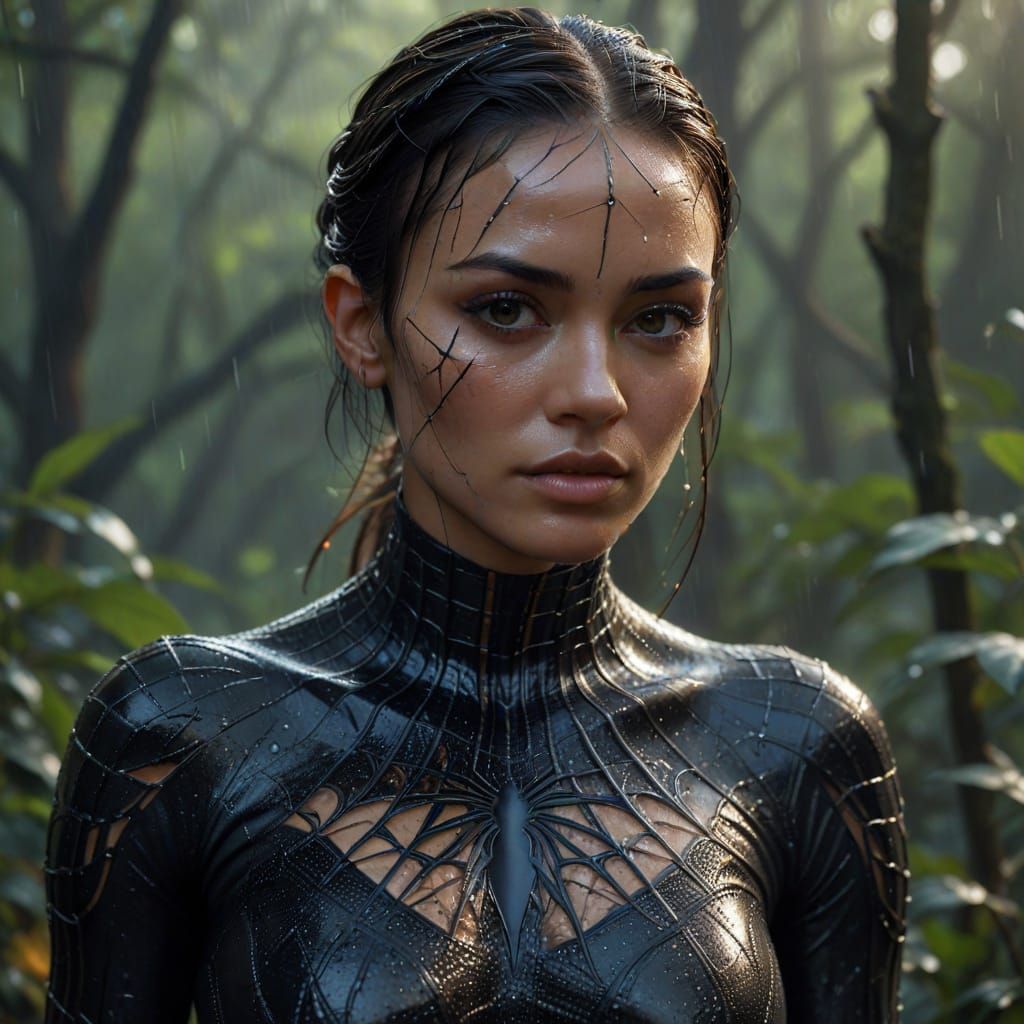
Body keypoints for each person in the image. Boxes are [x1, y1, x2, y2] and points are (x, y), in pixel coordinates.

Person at [44, 8, 908, 1022]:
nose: (596, 390)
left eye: (659, 318)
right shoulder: (181, 736)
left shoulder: (795, 743)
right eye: (506, 308)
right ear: (360, 326)